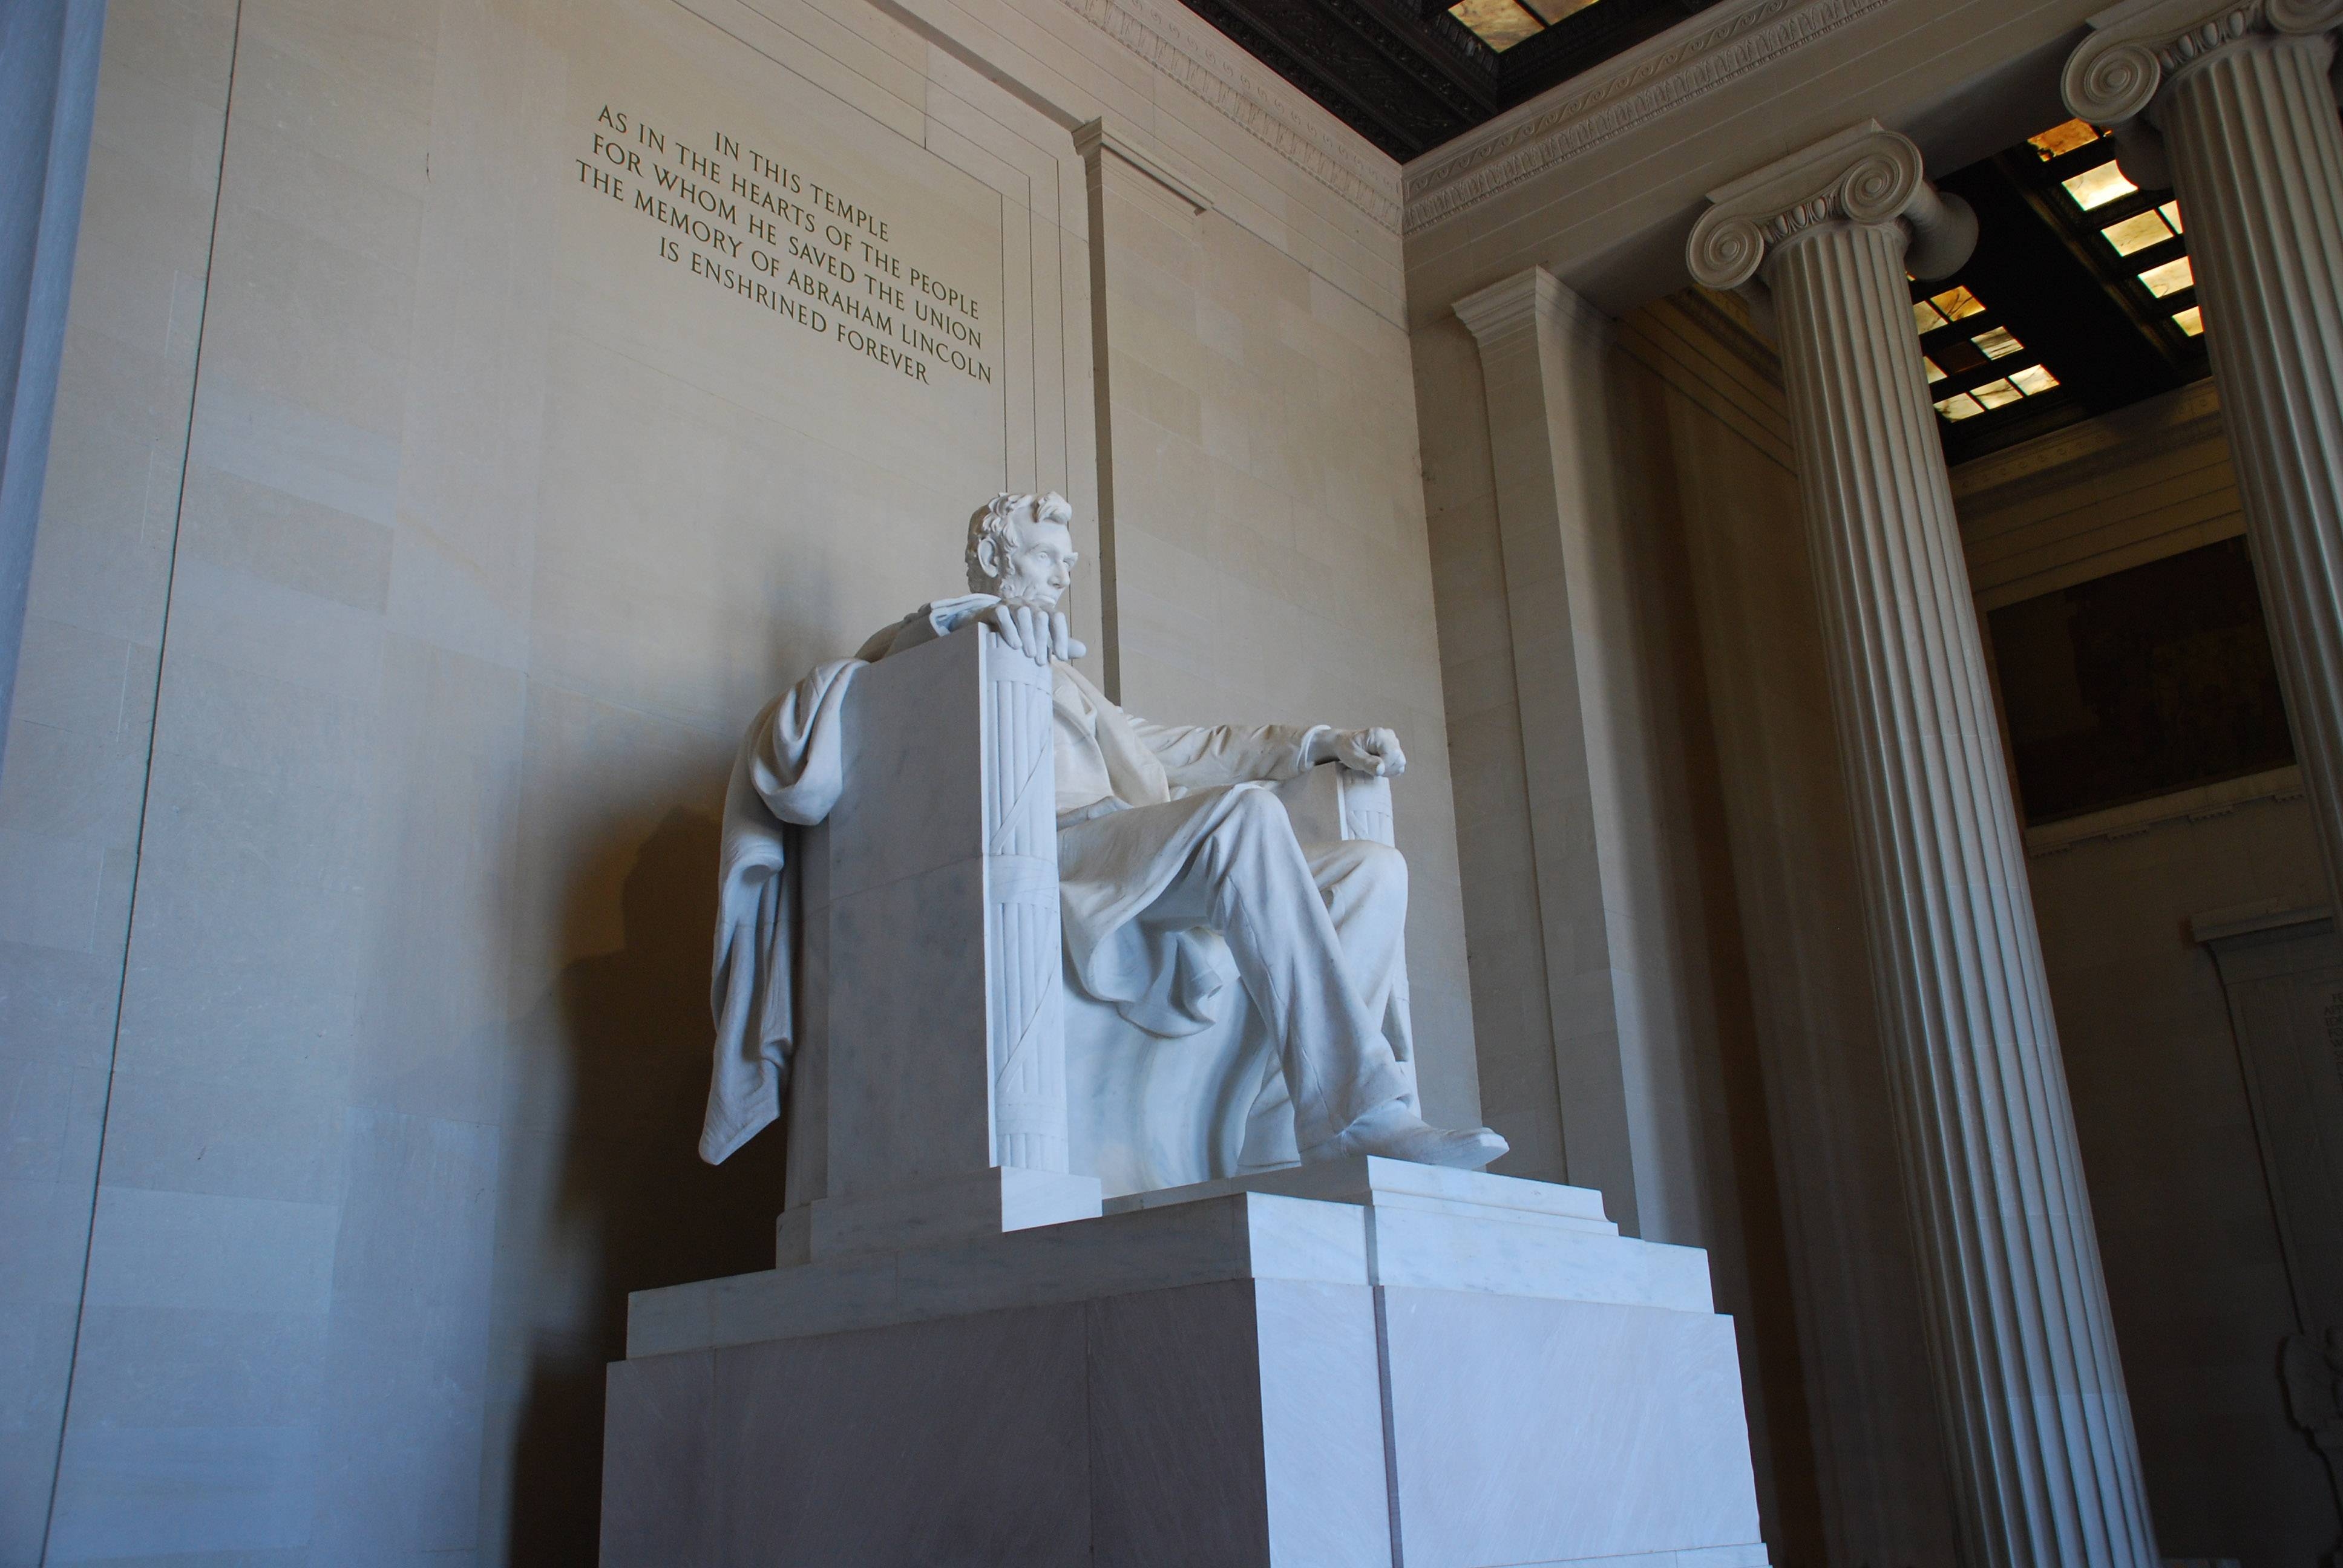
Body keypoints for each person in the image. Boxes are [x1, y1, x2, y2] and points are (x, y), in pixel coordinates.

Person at [858, 492, 1507, 1170]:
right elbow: (885, 659)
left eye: (1067, 562)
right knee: (1245, 817)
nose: (1059, 576)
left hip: (1132, 843)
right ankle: (1365, 1115)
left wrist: (1321, 742)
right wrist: (983, 617)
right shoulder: (947, 646)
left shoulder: (1071, 681)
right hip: (1054, 848)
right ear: (994, 557)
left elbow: (1194, 749)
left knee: (1372, 871)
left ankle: (1280, 1137)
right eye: (1044, 556)